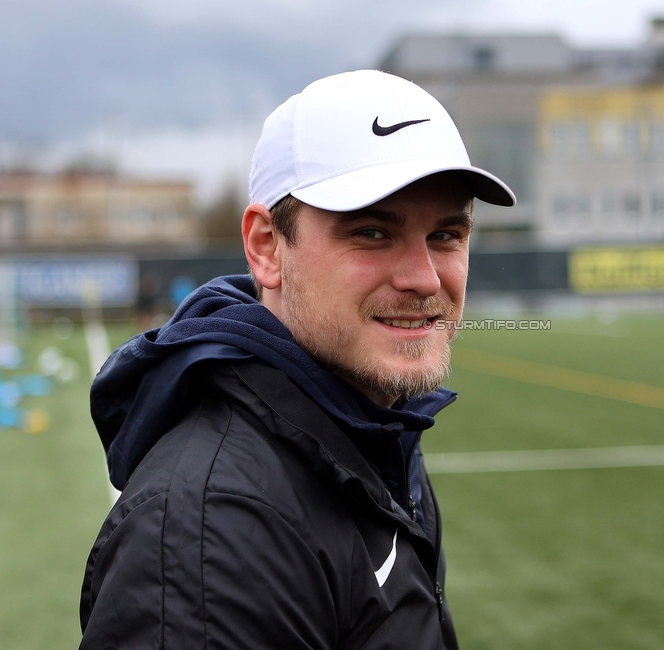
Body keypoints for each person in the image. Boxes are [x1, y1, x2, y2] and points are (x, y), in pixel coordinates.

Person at [79, 70, 515, 649]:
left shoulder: (375, 425)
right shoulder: (213, 535)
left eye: (446, 235)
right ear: (266, 247)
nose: (424, 278)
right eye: (371, 232)